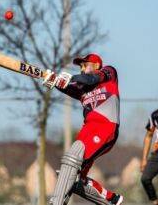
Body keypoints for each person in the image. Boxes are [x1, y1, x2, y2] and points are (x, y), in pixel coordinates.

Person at [42, 53, 123, 205]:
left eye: (85, 65)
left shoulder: (109, 73)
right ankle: (111, 199)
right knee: (73, 177)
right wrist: (54, 81)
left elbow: (91, 78)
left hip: (105, 127)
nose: (82, 69)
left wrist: (70, 78)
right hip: (88, 129)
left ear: (97, 65)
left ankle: (56, 202)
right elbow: (69, 87)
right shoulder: (83, 88)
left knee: (72, 158)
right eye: (81, 67)